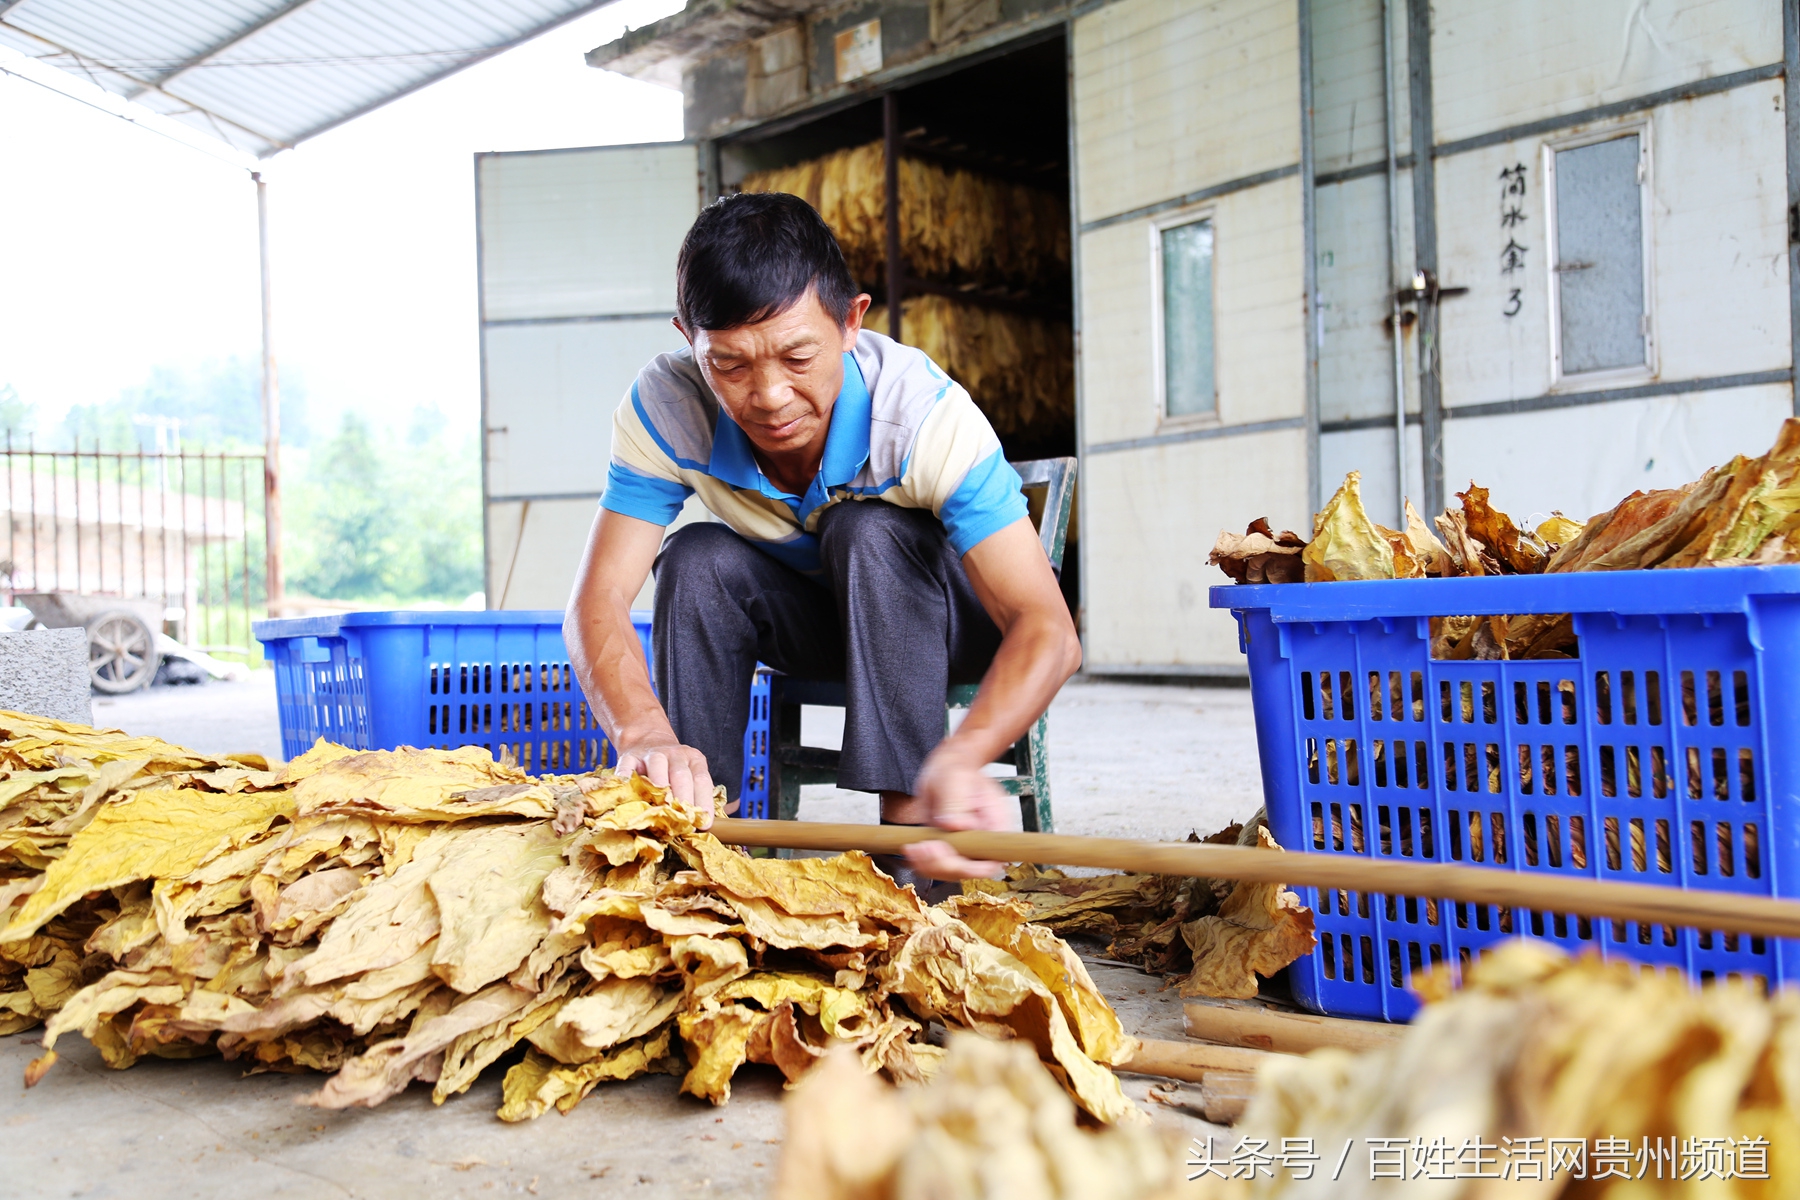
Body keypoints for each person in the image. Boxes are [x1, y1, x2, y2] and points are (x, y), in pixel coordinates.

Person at [563, 191, 1080, 884]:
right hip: (821, 623)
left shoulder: (923, 416)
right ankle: (699, 839)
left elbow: (1046, 627)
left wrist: (961, 758)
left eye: (797, 356)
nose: (770, 396)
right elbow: (596, 601)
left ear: (849, 322)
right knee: (696, 556)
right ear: (689, 339)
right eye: (731, 365)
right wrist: (644, 735)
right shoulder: (667, 406)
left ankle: (912, 853)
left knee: (866, 529)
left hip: (950, 624)